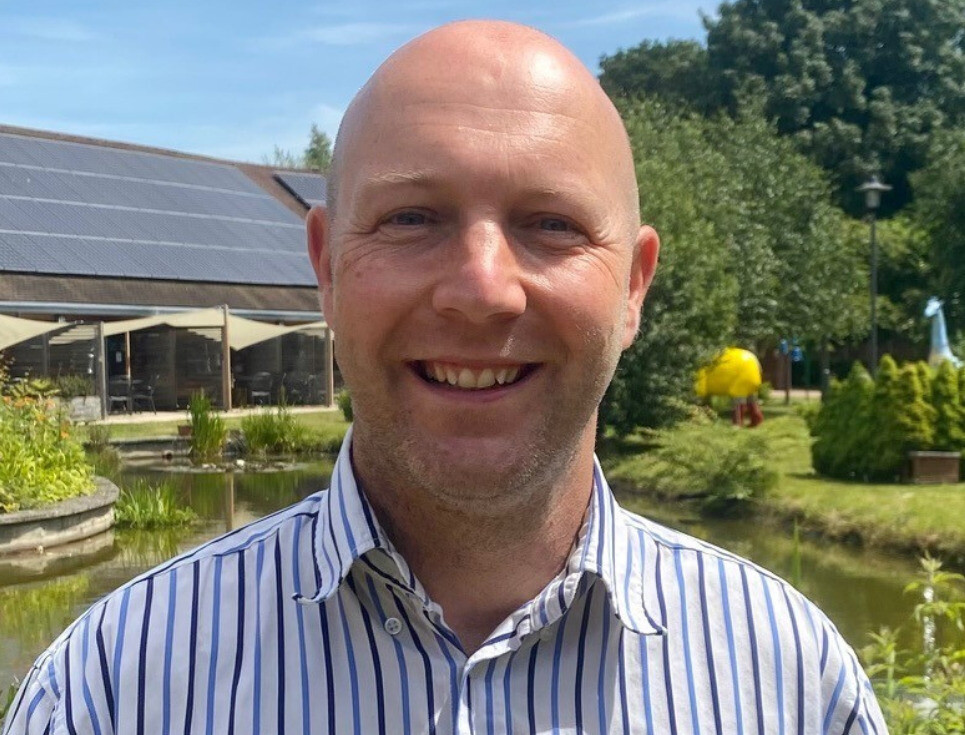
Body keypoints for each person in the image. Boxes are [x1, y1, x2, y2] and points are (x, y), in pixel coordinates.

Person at [4, 20, 886, 735]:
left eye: (550, 223)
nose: (481, 290)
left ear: (632, 287)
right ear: (326, 266)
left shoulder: (791, 681)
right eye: (413, 217)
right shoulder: (113, 688)